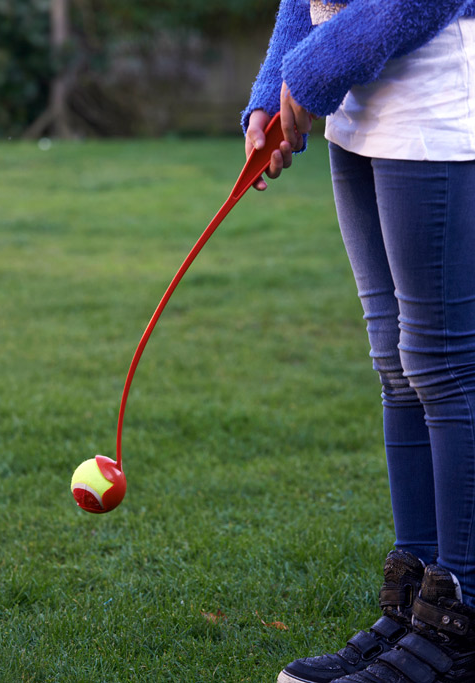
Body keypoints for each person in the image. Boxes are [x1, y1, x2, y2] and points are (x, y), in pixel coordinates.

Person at [242, 1, 475, 682]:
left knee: (442, 366)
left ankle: (459, 619)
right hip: (357, 109)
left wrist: (312, 68)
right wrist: (272, 90)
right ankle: (415, 604)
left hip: (433, 105)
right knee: (396, 363)